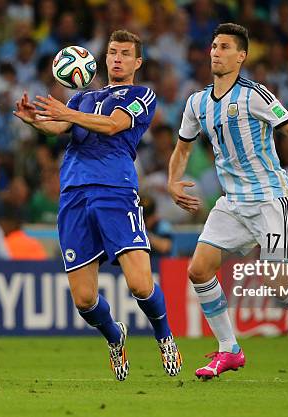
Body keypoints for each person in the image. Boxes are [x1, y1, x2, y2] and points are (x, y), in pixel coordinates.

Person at [168, 23, 288, 380]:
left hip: (271, 201)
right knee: (198, 270)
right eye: (213, 46)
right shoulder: (197, 103)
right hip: (233, 203)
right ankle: (229, 350)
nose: (215, 52)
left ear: (241, 56)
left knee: (277, 287)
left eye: (224, 47)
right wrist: (174, 180)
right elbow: (182, 148)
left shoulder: (255, 95)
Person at [13, 30, 182, 381]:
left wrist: (68, 115)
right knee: (84, 300)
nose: (117, 58)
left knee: (139, 283)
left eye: (124, 53)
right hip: (73, 193)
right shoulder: (82, 99)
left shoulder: (142, 95)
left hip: (115, 190)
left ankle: (164, 335)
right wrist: (36, 121)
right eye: (112, 52)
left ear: (137, 61)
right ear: (103, 58)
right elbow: (59, 125)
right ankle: (115, 336)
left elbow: (113, 125)